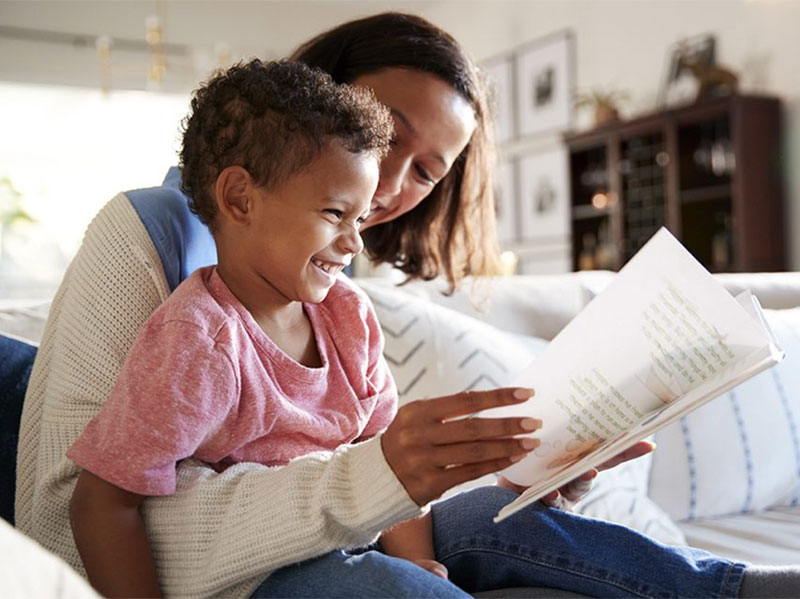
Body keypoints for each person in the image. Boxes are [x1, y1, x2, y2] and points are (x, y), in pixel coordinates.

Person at [15, 11, 800, 599]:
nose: (388, 190)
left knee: (512, 522)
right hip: (257, 570)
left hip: (355, 535)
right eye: (387, 137)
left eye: (427, 171)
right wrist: (379, 507)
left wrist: (534, 468)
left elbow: (374, 454)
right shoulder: (176, 288)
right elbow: (82, 514)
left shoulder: (337, 302)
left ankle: (732, 587)